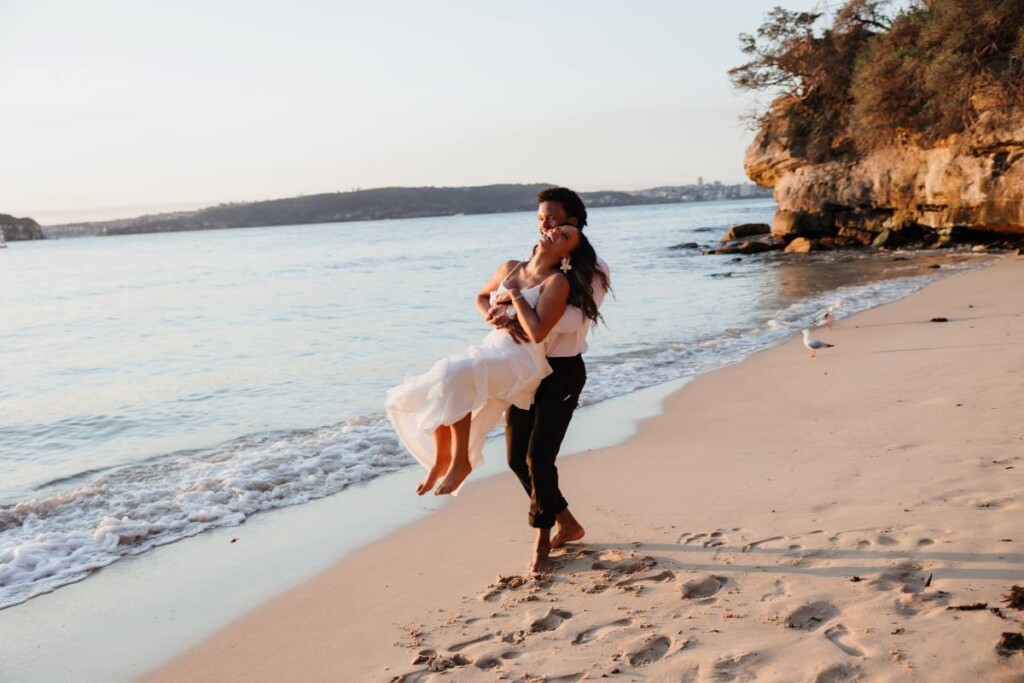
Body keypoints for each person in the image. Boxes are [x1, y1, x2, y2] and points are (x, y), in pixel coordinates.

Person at [385, 214, 605, 499]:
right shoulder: (510, 267)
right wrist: (493, 317)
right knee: (443, 378)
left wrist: (514, 298)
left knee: (455, 373)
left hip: (522, 360)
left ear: (568, 255)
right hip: (492, 346)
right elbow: (481, 296)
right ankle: (443, 460)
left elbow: (538, 332)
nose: (553, 233)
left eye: (565, 237)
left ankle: (460, 461)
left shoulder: (557, 282)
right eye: (552, 227)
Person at [488, 187, 610, 575]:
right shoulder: (529, 266)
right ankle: (569, 523)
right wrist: (502, 315)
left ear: (573, 220)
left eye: (553, 218)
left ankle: (542, 541)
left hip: (562, 372)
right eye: (541, 218)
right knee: (514, 459)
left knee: (539, 458)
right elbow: (491, 298)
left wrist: (519, 312)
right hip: (524, 369)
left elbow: (568, 322)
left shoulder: (593, 270)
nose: (545, 224)